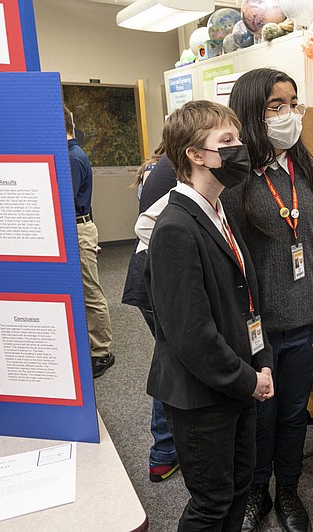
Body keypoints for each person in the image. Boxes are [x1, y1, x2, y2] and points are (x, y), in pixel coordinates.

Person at [221, 68, 313, 532]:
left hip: (304, 322)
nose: (289, 115)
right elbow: (165, 225)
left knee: (295, 413)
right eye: (277, 106)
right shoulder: (229, 179)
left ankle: (289, 491)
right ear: (253, 113)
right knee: (260, 416)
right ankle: (257, 491)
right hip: (253, 330)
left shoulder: (312, 172)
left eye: (293, 104)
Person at [145, 100, 275, 531]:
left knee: (238, 488)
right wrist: (248, 380)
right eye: (227, 141)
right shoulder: (176, 228)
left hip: (237, 381)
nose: (241, 148)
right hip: (203, 395)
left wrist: (264, 362)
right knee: (212, 503)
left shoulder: (219, 210)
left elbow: (245, 301)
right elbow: (191, 335)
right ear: (196, 155)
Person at [122, 151, 180, 483]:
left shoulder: (160, 165)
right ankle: (164, 451)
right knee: (172, 359)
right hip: (157, 280)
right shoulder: (179, 171)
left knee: (169, 357)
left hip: (150, 277)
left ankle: (165, 452)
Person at [64, 105, 114, 379]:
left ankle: (102, 352)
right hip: (80, 228)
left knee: (90, 292)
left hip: (78, 228)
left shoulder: (72, 157)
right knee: (86, 290)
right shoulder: (72, 154)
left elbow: (67, 201)